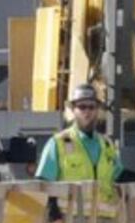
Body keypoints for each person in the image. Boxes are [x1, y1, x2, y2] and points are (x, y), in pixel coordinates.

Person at [38, 79, 121, 208]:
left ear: (98, 110)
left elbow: (120, 176)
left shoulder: (107, 145)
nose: (87, 111)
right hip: (70, 217)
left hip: (105, 217)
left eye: (91, 107)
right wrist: (53, 213)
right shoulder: (57, 143)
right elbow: (43, 184)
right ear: (73, 109)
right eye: (82, 107)